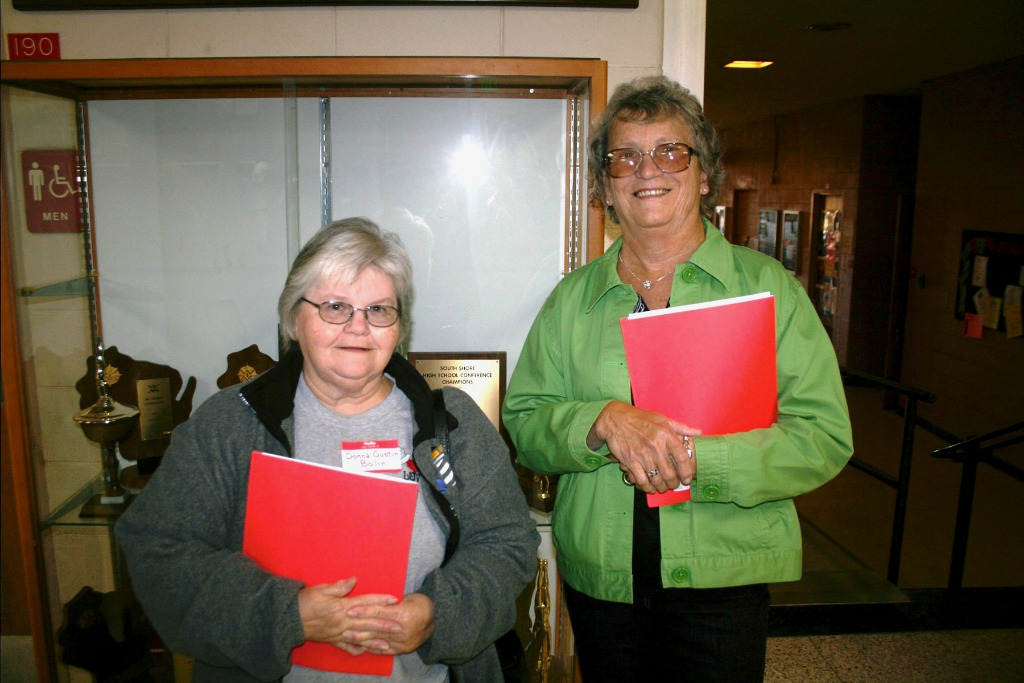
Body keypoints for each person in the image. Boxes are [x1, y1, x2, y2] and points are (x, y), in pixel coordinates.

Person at [502, 75, 853, 682]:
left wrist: (698, 460)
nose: (647, 170)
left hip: (724, 577)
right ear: (605, 189)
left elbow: (823, 436)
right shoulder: (571, 301)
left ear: (706, 175)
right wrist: (601, 421)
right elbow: (526, 422)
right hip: (602, 578)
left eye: (670, 151)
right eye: (625, 157)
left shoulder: (768, 290)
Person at [116, 217, 539, 682]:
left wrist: (438, 612)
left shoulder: (451, 423)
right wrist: (285, 615)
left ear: (400, 325)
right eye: (335, 307)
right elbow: (158, 551)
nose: (358, 327)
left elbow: (509, 543)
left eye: (379, 310)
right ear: (293, 319)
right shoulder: (231, 424)